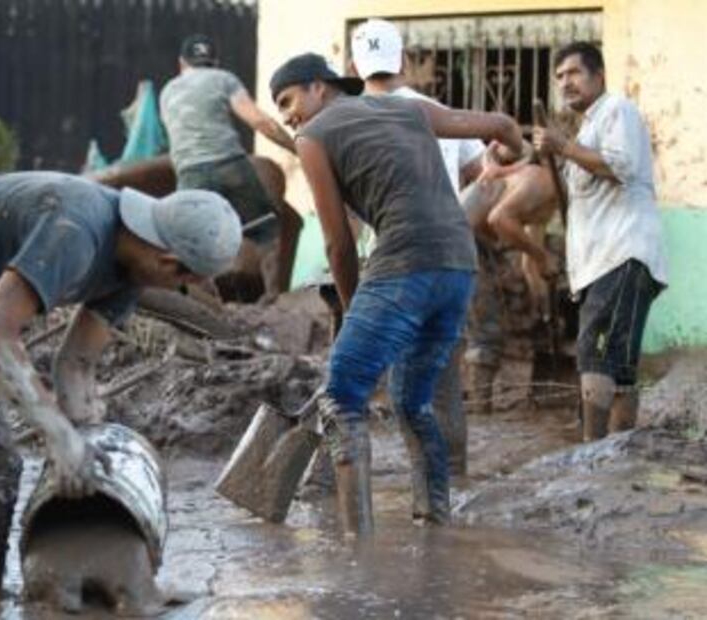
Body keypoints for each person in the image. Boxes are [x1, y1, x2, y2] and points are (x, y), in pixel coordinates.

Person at [0, 171, 241, 594]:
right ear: (170, 263)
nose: (179, 290)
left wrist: (85, 443)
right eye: (184, 283)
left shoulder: (131, 266)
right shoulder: (77, 232)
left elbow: (76, 364)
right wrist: (60, 438)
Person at [269, 53, 523, 531]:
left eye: (288, 100)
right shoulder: (411, 109)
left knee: (341, 397)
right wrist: (515, 153)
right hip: (458, 266)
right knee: (412, 403)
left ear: (319, 88)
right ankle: (434, 520)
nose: (287, 116)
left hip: (402, 262)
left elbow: (338, 244)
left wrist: (350, 311)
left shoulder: (312, 137)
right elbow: (502, 124)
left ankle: (356, 548)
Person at [350, 18, 487, 475]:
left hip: (396, 259)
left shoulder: (352, 120)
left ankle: (421, 496)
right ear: (404, 60)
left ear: (354, 66)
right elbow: (479, 169)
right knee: (442, 376)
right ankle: (456, 483)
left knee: (394, 383)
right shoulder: (434, 110)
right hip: (451, 258)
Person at [533, 42, 667, 441]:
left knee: (594, 351)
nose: (565, 82)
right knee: (620, 363)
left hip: (621, 254)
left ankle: (593, 451)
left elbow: (619, 166)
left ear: (599, 75)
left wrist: (562, 146)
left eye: (573, 73)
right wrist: (557, 153)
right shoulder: (589, 126)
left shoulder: (617, 111)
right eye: (559, 77)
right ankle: (617, 451)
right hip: (607, 260)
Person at [160, 34, 296, 298]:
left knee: (190, 240)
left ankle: (199, 301)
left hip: (190, 172)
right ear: (215, 61)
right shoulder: (224, 79)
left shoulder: (168, 91)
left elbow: (177, 141)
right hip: (230, 166)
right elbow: (259, 121)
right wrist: (297, 148)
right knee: (266, 229)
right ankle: (273, 296)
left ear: (181, 63)